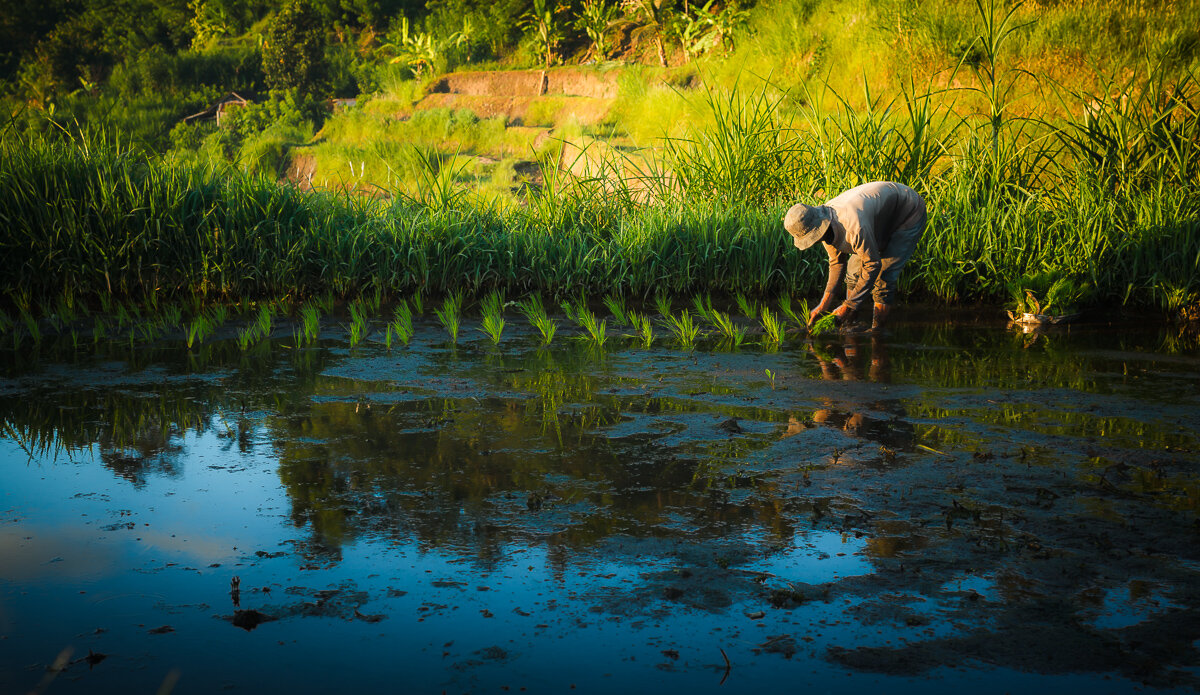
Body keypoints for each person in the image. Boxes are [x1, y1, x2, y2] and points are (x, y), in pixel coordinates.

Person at [782, 181, 927, 330]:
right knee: (852, 272)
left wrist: (849, 304)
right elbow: (837, 264)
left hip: (908, 212)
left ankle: (876, 332)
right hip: (878, 217)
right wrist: (823, 306)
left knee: (884, 277)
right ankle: (850, 322)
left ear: (817, 229)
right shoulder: (824, 226)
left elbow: (872, 264)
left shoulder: (853, 225)